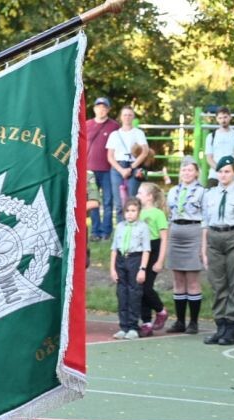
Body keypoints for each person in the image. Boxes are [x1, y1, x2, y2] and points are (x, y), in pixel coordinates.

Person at [201, 156, 234, 345]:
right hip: (214, 238)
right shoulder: (209, 194)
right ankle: (220, 326)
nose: (223, 175)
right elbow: (205, 224)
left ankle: (231, 328)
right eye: (221, 172)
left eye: (227, 171)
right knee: (217, 284)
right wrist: (204, 249)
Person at [165, 156, 206, 334]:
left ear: (196, 173)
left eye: (190, 170)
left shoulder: (202, 192)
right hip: (176, 232)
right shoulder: (173, 191)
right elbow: (169, 215)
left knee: (192, 280)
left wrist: (203, 244)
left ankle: (194, 322)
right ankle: (180, 321)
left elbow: (206, 217)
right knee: (178, 279)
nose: (186, 173)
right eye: (183, 170)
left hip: (193, 232)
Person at [109, 197, 151, 340]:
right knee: (122, 293)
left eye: (133, 211)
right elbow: (114, 249)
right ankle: (124, 326)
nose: (130, 214)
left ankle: (133, 326)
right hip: (121, 259)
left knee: (134, 293)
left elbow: (146, 250)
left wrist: (142, 269)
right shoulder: (120, 226)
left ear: (138, 212)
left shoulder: (143, 227)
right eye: (127, 211)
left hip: (135, 259)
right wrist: (112, 268)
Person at [136, 182, 169, 336]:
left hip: (153, 248)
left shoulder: (158, 214)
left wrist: (160, 260)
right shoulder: (138, 212)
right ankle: (146, 322)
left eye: (140, 193)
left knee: (146, 288)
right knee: (140, 287)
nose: (137, 196)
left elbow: (164, 238)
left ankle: (161, 310)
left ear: (149, 197)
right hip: (141, 250)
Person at [85, 97, 119, 240]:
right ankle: (95, 231)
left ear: (108, 110)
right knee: (93, 202)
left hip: (107, 169)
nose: (101, 110)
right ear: (94, 109)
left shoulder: (114, 126)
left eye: (104, 107)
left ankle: (106, 232)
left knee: (107, 201)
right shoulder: (86, 125)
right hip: (89, 170)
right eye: (99, 107)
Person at [106, 105, 149, 203]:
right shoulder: (114, 134)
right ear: (121, 117)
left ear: (133, 117)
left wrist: (131, 167)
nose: (127, 117)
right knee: (118, 201)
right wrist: (121, 170)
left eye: (130, 115)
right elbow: (110, 156)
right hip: (117, 167)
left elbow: (145, 152)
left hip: (134, 165)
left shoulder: (139, 133)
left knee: (132, 199)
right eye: (125, 115)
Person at [205, 107, 234, 186]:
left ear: (230, 117)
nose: (223, 120)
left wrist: (230, 169)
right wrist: (219, 169)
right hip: (215, 176)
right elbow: (209, 158)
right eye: (220, 118)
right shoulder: (211, 136)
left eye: (225, 117)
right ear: (217, 119)